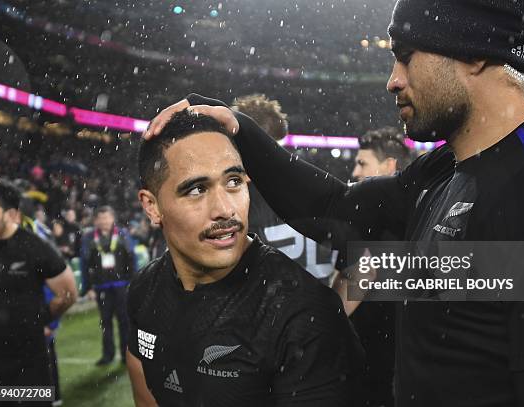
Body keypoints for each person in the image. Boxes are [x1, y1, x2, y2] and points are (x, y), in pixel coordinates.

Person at [144, 1, 524, 405]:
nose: (392, 81)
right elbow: (340, 210)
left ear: (475, 51)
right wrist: (238, 126)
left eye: (405, 57)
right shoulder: (448, 168)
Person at [128, 111, 364, 406]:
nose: (225, 209)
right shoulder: (143, 290)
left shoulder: (305, 316)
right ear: (151, 206)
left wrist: (328, 315)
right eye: (197, 189)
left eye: (234, 181)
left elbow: (373, 262)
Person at [331, 127, 413, 407]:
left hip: (368, 373)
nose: (355, 172)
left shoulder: (364, 223)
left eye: (362, 163)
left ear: (389, 166)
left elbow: (358, 278)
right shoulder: (427, 215)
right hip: (408, 375)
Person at [0, 180, 77, 401]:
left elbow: (67, 293)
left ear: (10, 214)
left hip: (28, 361)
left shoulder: (34, 247)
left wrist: (41, 318)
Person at [233, 94, 337, 284]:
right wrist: (332, 312)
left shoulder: (238, 202)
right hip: (315, 307)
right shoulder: (319, 188)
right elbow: (364, 268)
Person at [80, 205, 137, 365]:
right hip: (101, 286)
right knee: (105, 322)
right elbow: (85, 265)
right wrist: (88, 288)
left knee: (124, 321)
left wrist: (133, 283)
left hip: (122, 285)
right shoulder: (89, 237)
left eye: (107, 217)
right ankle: (108, 355)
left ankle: (127, 355)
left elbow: (131, 259)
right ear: (96, 220)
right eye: (101, 218)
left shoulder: (122, 234)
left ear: (113, 218)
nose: (104, 221)